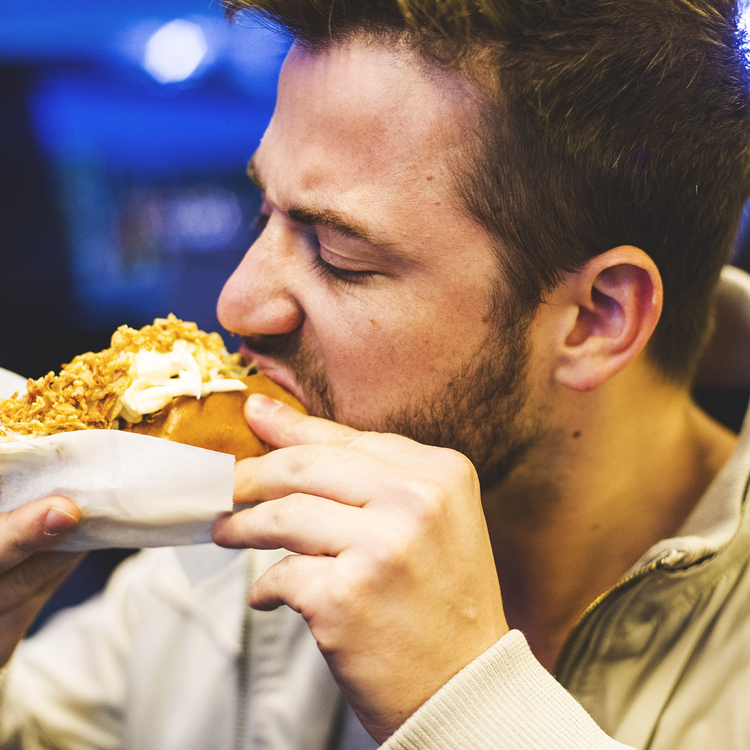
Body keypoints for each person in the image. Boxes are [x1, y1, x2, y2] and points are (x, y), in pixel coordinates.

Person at [1, 0, 750, 747]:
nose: (237, 302)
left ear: (596, 320)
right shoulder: (242, 550)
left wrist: (469, 707)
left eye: (339, 255)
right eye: (264, 214)